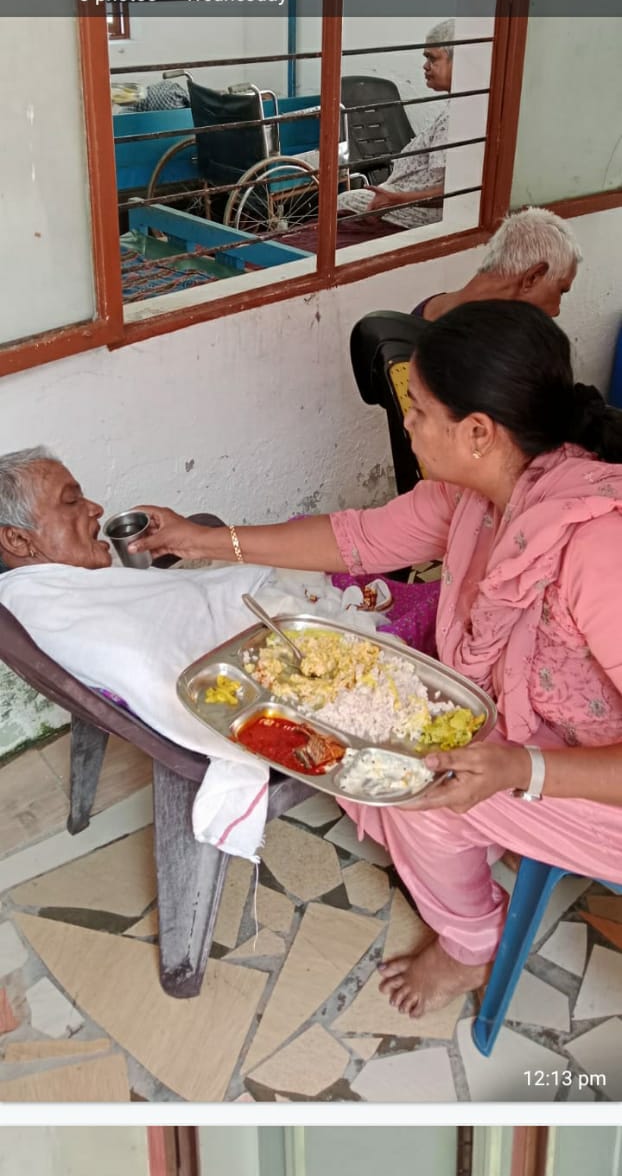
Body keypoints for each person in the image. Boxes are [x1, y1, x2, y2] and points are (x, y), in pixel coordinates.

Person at [130, 300, 622, 1017]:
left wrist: (524, 769)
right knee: (380, 729)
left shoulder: (596, 549)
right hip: (558, 739)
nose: (408, 425)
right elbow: (357, 540)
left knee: (414, 786)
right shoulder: (482, 492)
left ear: (479, 432)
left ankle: (468, 947)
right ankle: (486, 845)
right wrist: (205, 541)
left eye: (417, 410)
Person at [336, 18, 455, 233]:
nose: (425, 66)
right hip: (398, 198)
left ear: (459, 62)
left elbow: (451, 190)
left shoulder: (454, 116)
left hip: (415, 212)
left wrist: (398, 199)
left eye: (433, 58)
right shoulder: (454, 109)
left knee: (342, 202)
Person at [412, 205, 581, 322]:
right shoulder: (498, 353)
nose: (556, 311)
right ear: (533, 277)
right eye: (561, 290)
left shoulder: (429, 308)